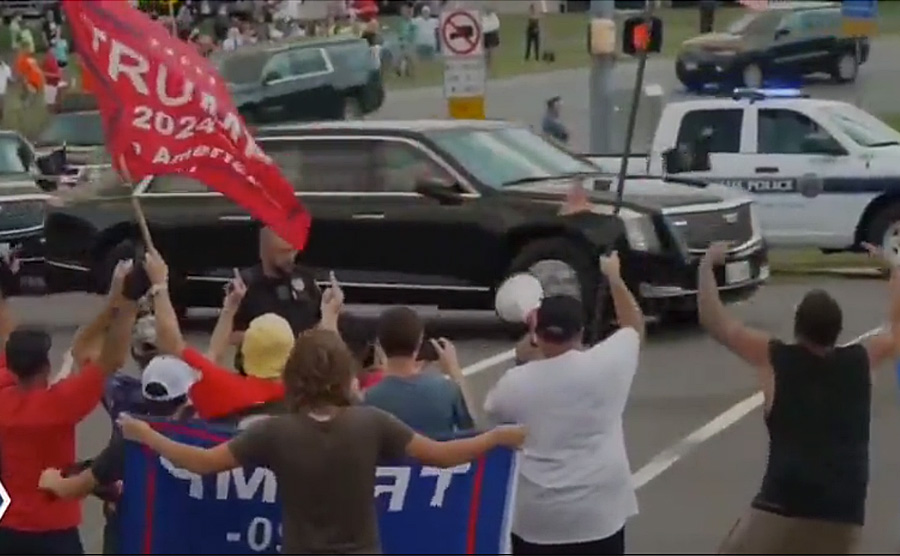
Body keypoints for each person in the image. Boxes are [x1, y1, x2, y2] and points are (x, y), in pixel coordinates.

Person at [118, 327, 527, 555]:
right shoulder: (372, 423)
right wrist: (495, 437)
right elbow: (442, 455)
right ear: (345, 375)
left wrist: (148, 435)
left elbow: (201, 463)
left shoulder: (274, 433)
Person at [699, 242, 900, 554]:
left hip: (780, 506)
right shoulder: (862, 360)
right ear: (838, 330)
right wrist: (895, 269)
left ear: (797, 327)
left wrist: (706, 266)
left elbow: (716, 323)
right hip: (843, 515)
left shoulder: (775, 357)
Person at [484, 251, 645, 556]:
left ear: (538, 335)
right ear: (581, 332)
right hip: (599, 514)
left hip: (536, 520)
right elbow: (633, 327)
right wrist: (613, 276)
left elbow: (492, 409)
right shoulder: (608, 365)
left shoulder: (517, 382)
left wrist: (526, 351)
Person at [0, 261, 138, 554]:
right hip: (54, 529)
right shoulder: (60, 404)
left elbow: (7, 334)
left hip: (7, 526)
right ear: (46, 366)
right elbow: (110, 359)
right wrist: (126, 301)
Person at [37, 355, 198, 555]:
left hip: (131, 538)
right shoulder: (205, 438)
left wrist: (51, 480)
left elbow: (73, 488)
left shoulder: (129, 442)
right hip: (186, 538)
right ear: (188, 398)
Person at [364, 307, 475, 438]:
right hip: (438, 457)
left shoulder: (368, 399)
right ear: (419, 342)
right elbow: (471, 429)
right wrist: (454, 371)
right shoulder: (447, 390)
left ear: (379, 345)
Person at [231, 227, 321, 362]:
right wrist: (267, 339)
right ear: (267, 250)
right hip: (261, 368)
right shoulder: (248, 285)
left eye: (293, 252)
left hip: (302, 368)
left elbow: (320, 321)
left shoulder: (305, 279)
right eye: (284, 253)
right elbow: (230, 335)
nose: (290, 258)